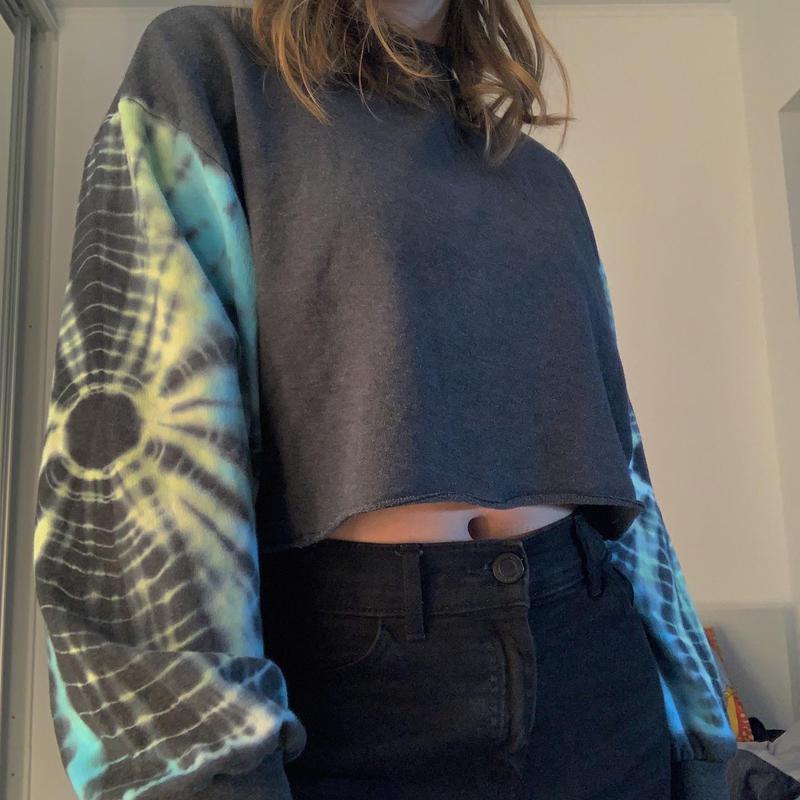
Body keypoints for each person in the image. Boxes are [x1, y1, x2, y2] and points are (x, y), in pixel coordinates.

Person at [31, 2, 737, 799]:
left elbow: (625, 472)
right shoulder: (209, 71)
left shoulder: (544, 180)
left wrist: (703, 738)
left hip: (596, 674)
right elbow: (132, 467)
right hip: (349, 701)